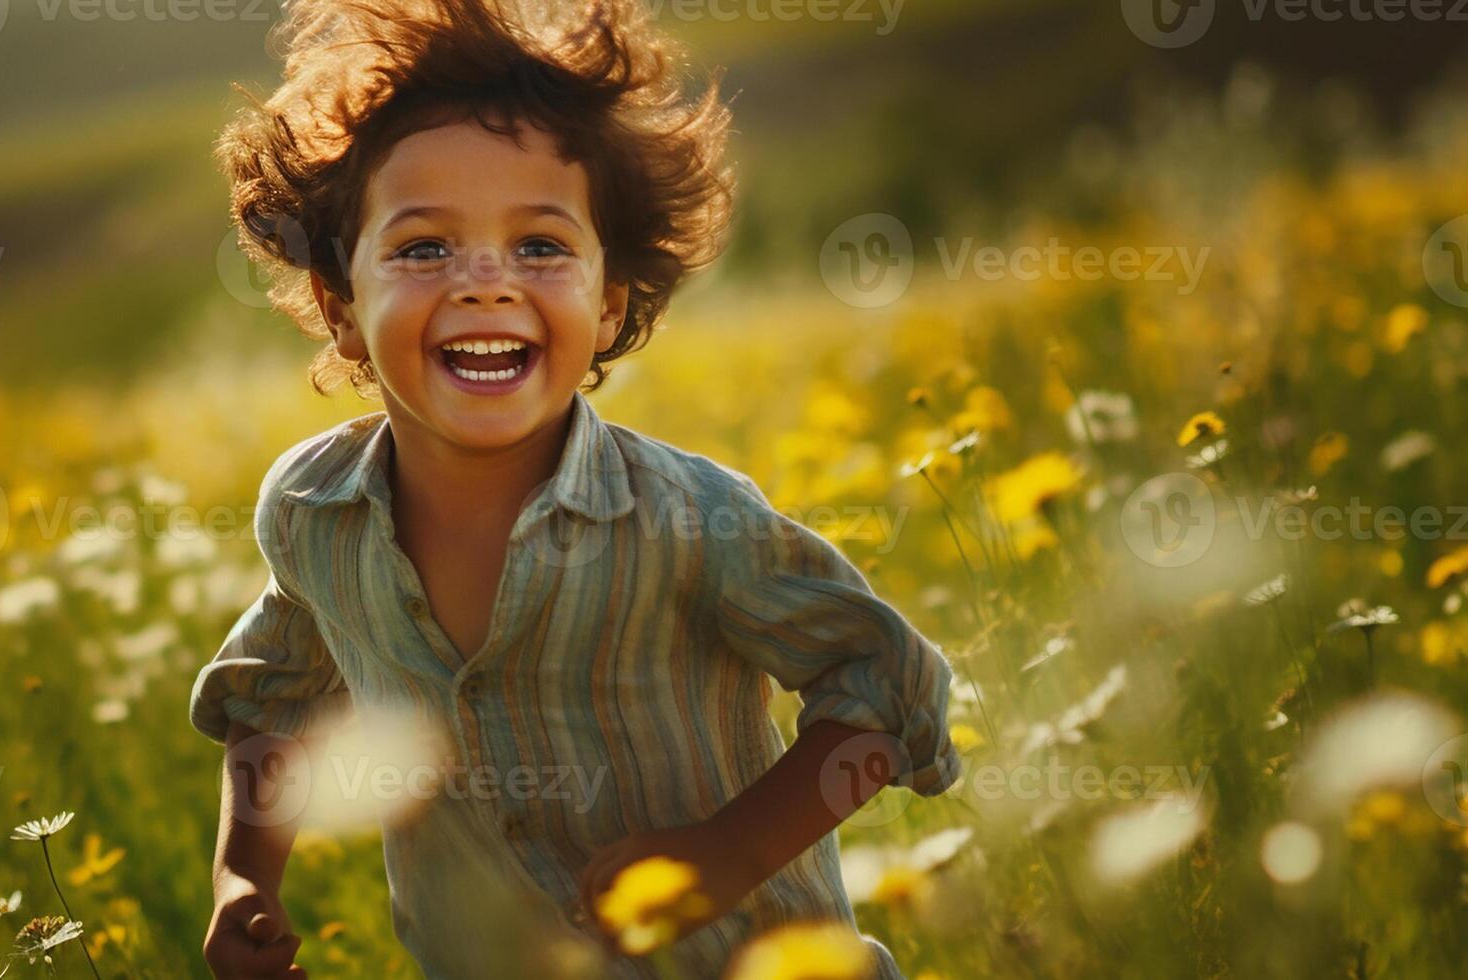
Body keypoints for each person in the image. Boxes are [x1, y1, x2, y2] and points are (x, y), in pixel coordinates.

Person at [190, 1, 962, 976]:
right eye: (423, 247)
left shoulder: (689, 518)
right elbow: (274, 697)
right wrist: (242, 880)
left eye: (540, 246)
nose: (484, 282)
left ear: (608, 304)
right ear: (343, 309)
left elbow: (889, 683)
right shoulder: (313, 514)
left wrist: (725, 851)